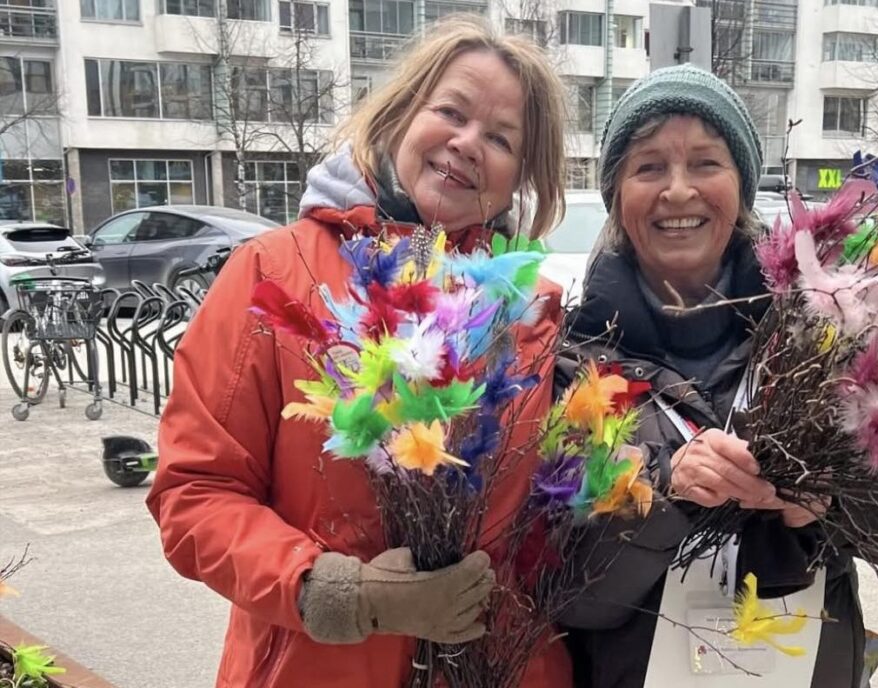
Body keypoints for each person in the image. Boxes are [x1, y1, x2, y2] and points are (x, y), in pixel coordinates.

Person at [146, 17, 572, 688]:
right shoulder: (273, 275)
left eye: (500, 138)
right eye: (451, 112)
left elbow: (543, 532)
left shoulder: (534, 316)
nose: (467, 143)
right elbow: (195, 494)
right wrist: (342, 594)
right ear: (403, 114)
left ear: (520, 172)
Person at [555, 64, 878, 688]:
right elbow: (566, 592)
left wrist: (833, 499)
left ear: (740, 186)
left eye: (706, 163)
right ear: (616, 196)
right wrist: (662, 489)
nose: (678, 190)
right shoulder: (569, 362)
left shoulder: (836, 332)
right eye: (648, 167)